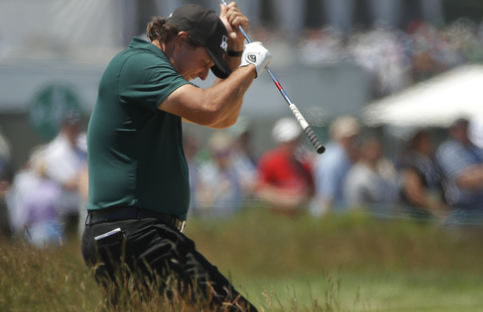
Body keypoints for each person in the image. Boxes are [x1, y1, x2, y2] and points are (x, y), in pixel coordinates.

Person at [81, 3, 270, 311]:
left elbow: (224, 118)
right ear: (181, 40)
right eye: (206, 60)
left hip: (130, 234)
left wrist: (234, 54)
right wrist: (250, 67)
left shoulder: (151, 68)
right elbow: (210, 108)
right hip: (135, 235)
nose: (206, 72)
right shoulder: (139, 64)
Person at [436, 117, 483, 225]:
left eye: (467, 128)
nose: (466, 132)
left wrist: (475, 172)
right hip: (461, 212)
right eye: (461, 129)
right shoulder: (448, 150)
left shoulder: (480, 146)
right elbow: (464, 181)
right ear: (453, 131)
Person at [254, 117, 314, 215]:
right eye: (287, 142)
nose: (291, 145)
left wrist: (301, 198)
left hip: (298, 218)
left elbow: (311, 190)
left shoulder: (304, 164)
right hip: (276, 218)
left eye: (294, 141)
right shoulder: (269, 162)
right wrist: (286, 200)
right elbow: (261, 190)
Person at [43, 111, 88, 237]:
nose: (74, 130)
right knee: (67, 242)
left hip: (83, 205)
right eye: (70, 127)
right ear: (64, 128)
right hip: (64, 208)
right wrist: (83, 178)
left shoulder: (84, 146)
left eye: (76, 127)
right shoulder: (54, 151)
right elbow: (65, 183)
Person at [310, 115, 360, 216]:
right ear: (337, 137)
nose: (353, 141)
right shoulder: (333, 160)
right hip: (330, 216)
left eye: (354, 137)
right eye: (348, 138)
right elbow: (327, 198)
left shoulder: (341, 156)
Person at [398, 129, 448, 220]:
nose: (430, 145)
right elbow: (413, 193)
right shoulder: (411, 163)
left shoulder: (431, 163)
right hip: (416, 215)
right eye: (426, 142)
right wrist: (434, 206)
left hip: (431, 213)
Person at [343, 136, 397, 214]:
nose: (375, 152)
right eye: (371, 149)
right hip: (365, 220)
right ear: (364, 151)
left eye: (377, 149)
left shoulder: (384, 170)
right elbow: (356, 206)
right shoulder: (357, 176)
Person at [196, 132, 244, 217]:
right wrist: (218, 191)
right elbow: (202, 204)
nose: (222, 157)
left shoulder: (237, 170)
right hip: (214, 223)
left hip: (235, 221)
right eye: (219, 154)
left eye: (226, 153)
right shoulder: (205, 173)